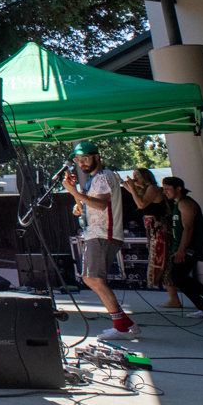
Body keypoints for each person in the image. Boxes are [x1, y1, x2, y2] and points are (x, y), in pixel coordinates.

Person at [64, 140, 138, 339]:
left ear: (97, 157)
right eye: (79, 160)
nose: (82, 163)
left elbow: (102, 205)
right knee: (91, 278)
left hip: (103, 233)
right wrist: (79, 203)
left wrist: (75, 192)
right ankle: (126, 323)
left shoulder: (103, 177)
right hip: (98, 233)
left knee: (93, 278)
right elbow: (92, 205)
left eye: (85, 158)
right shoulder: (95, 179)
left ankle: (121, 327)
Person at [161, 177, 203, 328]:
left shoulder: (186, 203)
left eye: (168, 189)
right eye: (164, 189)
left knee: (177, 276)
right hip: (180, 247)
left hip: (189, 248)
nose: (165, 192)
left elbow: (189, 228)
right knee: (178, 278)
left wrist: (182, 250)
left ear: (178, 188)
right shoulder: (177, 205)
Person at [124, 168, 172, 295]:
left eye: (138, 175)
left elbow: (141, 204)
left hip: (159, 227)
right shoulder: (145, 189)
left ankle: (169, 291)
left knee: (162, 260)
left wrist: (133, 188)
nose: (135, 178)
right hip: (151, 228)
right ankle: (165, 290)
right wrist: (126, 185)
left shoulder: (152, 188)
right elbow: (135, 195)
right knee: (156, 258)